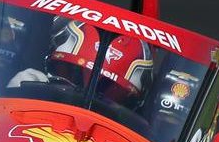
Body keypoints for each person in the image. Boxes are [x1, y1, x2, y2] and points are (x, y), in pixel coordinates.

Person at [8, 19, 153, 109]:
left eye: (107, 90)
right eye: (73, 76)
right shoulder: (26, 84)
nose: (81, 99)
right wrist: (13, 95)